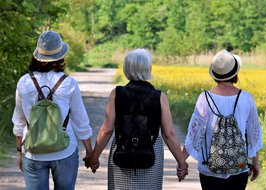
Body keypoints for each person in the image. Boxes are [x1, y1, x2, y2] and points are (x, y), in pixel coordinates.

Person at [84, 48, 188, 189]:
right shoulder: (160, 97)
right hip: (151, 150)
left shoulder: (117, 94)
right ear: (148, 69)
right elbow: (168, 134)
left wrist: (94, 157)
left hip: (122, 148)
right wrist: (181, 162)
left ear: (126, 69)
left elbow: (107, 130)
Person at [12, 30, 95, 190]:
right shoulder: (68, 83)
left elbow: (19, 121)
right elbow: (80, 121)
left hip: (33, 151)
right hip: (65, 149)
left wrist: (19, 152)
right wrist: (90, 152)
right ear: (60, 56)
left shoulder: (24, 82)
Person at [182, 49, 263, 190]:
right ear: (235, 73)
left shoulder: (204, 98)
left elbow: (195, 134)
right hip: (239, 167)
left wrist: (181, 161)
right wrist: (255, 162)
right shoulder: (246, 98)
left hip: (209, 169)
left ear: (215, 75)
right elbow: (253, 134)